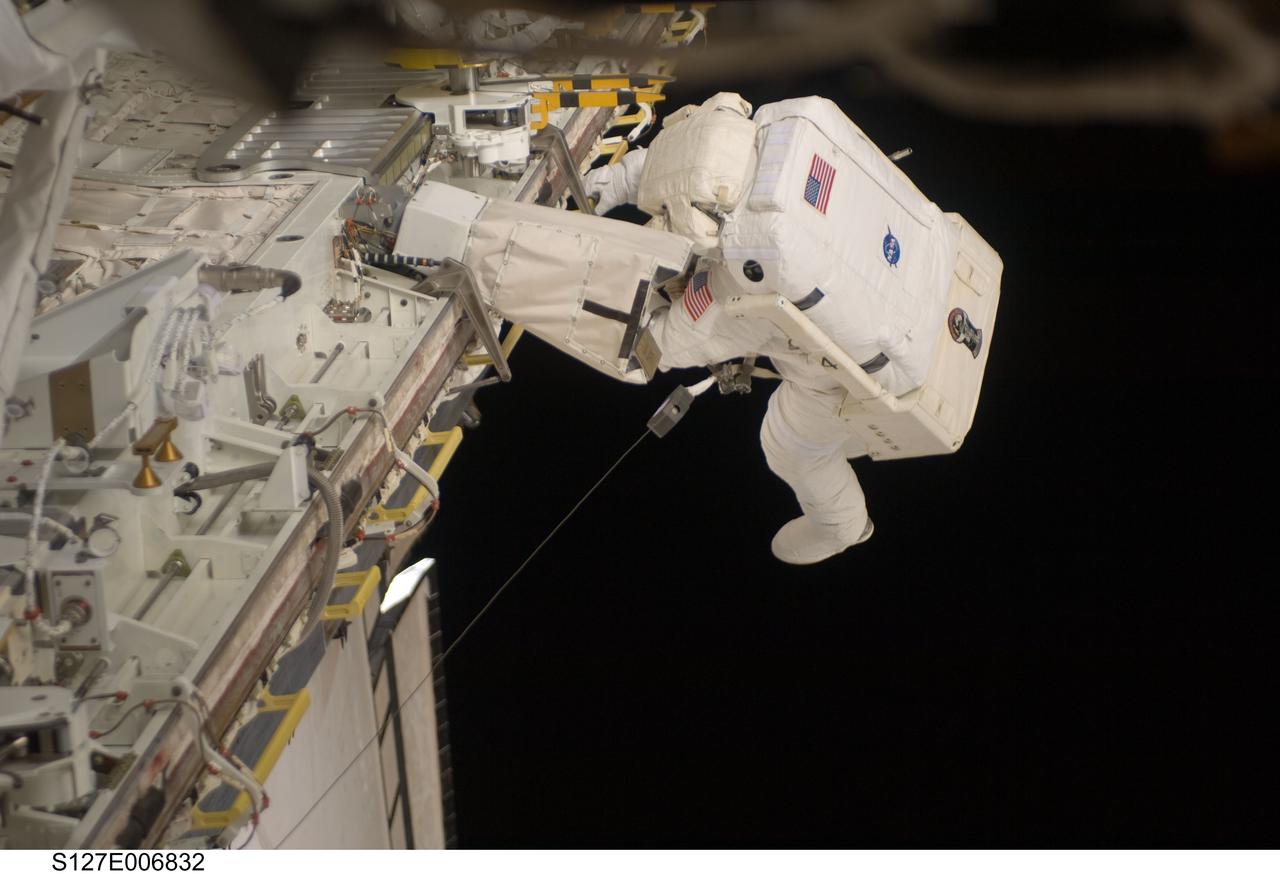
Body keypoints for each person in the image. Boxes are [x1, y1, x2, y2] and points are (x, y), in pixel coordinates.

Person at [585, 142, 878, 565]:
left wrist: (606, 189)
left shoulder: (719, 287)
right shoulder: (740, 161)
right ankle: (849, 494)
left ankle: (847, 524)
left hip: (838, 357)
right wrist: (605, 192)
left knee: (793, 444)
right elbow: (670, 163)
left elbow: (649, 351)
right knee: (805, 436)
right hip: (853, 308)